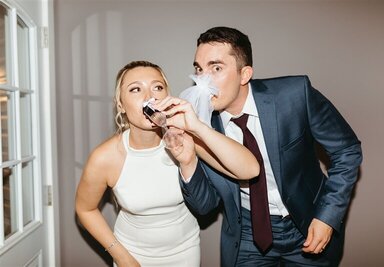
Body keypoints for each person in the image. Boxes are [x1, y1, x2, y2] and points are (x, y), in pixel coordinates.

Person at [178, 26, 363, 267]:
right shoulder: (200, 124)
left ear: (244, 74)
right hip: (246, 235)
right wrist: (186, 160)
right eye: (199, 69)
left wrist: (327, 217)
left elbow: (347, 150)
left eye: (216, 68)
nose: (203, 80)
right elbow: (205, 206)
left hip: (306, 223)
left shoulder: (295, 95)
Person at [75, 60, 259, 267]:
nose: (149, 97)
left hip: (185, 252)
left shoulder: (185, 138)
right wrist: (121, 257)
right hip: (131, 254)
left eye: (158, 87)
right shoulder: (105, 157)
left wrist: (197, 128)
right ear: (120, 104)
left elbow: (250, 169)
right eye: (136, 89)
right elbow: (85, 210)